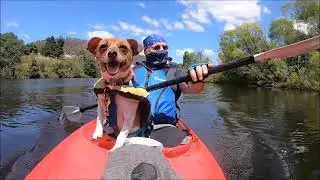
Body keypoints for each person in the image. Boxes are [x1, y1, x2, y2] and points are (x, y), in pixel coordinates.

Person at [131, 34, 212, 126]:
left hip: (165, 125)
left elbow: (191, 89)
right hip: (135, 123)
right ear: (146, 50)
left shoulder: (174, 70)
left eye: (165, 47)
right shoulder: (134, 70)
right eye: (156, 47)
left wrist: (198, 78)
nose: (162, 50)